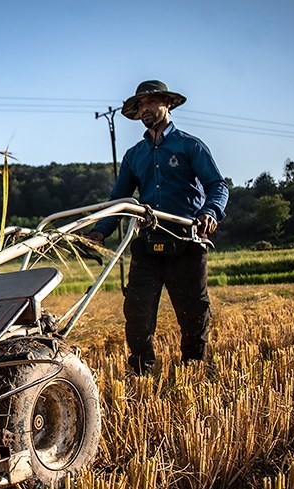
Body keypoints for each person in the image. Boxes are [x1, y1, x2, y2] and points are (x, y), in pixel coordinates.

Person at [87, 80, 229, 375]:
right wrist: (100, 231)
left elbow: (217, 186)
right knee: (137, 313)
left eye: (151, 102)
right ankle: (141, 371)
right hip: (148, 241)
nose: (145, 109)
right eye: (140, 105)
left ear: (168, 104)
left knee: (193, 313)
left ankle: (193, 368)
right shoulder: (134, 155)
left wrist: (210, 212)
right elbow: (120, 200)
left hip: (186, 240)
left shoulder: (189, 146)